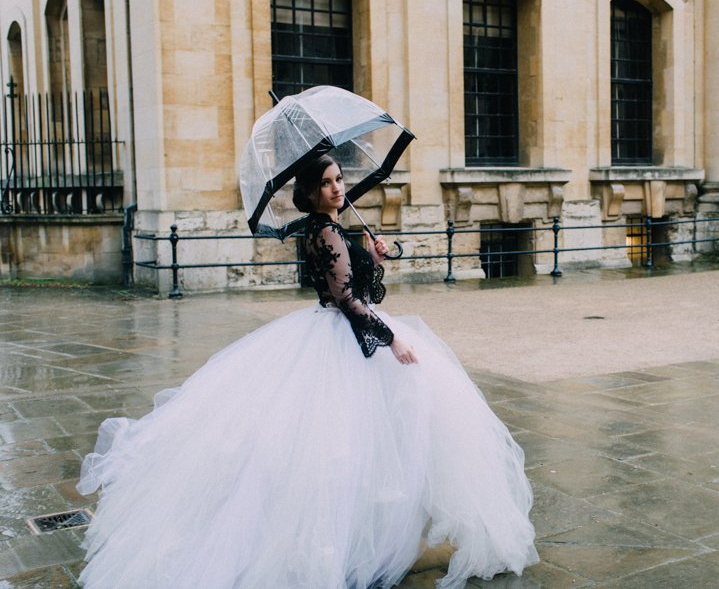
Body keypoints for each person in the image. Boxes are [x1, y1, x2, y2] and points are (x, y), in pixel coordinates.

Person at [76, 154, 539, 588]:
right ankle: (343, 539)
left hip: (339, 334)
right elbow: (348, 301)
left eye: (339, 179)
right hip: (338, 339)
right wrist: (394, 339)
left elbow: (360, 287)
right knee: (341, 443)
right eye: (326, 183)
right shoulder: (325, 233)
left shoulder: (334, 230)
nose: (337, 188)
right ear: (312, 193)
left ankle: (367, 530)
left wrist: (375, 256)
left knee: (368, 441)